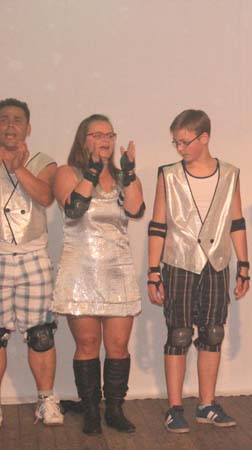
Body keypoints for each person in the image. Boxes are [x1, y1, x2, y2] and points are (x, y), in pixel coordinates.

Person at [147, 109, 250, 433]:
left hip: (216, 263)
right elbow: (158, 224)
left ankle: (207, 404)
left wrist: (244, 265)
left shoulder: (230, 174)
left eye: (185, 142)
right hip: (179, 262)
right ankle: (175, 407)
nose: (180, 148)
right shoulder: (169, 175)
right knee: (178, 334)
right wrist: (153, 271)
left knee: (212, 333)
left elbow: (236, 221)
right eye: (176, 143)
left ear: (204, 138)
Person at [52, 114, 145, 435]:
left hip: (117, 271)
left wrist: (129, 173)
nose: (105, 140)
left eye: (109, 135)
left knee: (118, 345)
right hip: (81, 271)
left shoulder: (123, 177)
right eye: (97, 135)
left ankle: (114, 410)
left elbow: (135, 210)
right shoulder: (67, 172)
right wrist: (92, 171)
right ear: (83, 139)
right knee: (88, 343)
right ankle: (91, 410)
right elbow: (74, 209)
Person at [0, 98, 63, 428]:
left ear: (28, 128)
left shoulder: (43, 161)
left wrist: (17, 168)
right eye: (4, 119)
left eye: (17, 120)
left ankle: (46, 400)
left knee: (41, 334)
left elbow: (46, 196)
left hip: (33, 257)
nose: (10, 125)